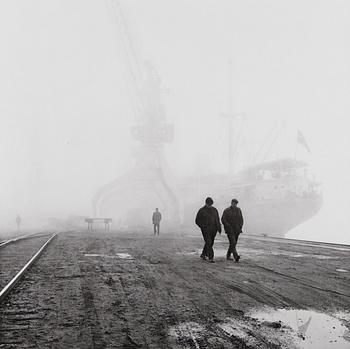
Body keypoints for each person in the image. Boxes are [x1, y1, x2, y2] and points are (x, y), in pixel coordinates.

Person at [195, 197, 221, 263]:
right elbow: (197, 221)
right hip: (205, 230)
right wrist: (203, 227)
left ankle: (203, 254)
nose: (210, 206)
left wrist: (219, 228)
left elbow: (217, 219)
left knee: (210, 242)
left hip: (213, 230)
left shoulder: (214, 210)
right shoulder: (201, 210)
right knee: (208, 242)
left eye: (211, 204)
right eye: (208, 204)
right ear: (206, 203)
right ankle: (211, 257)